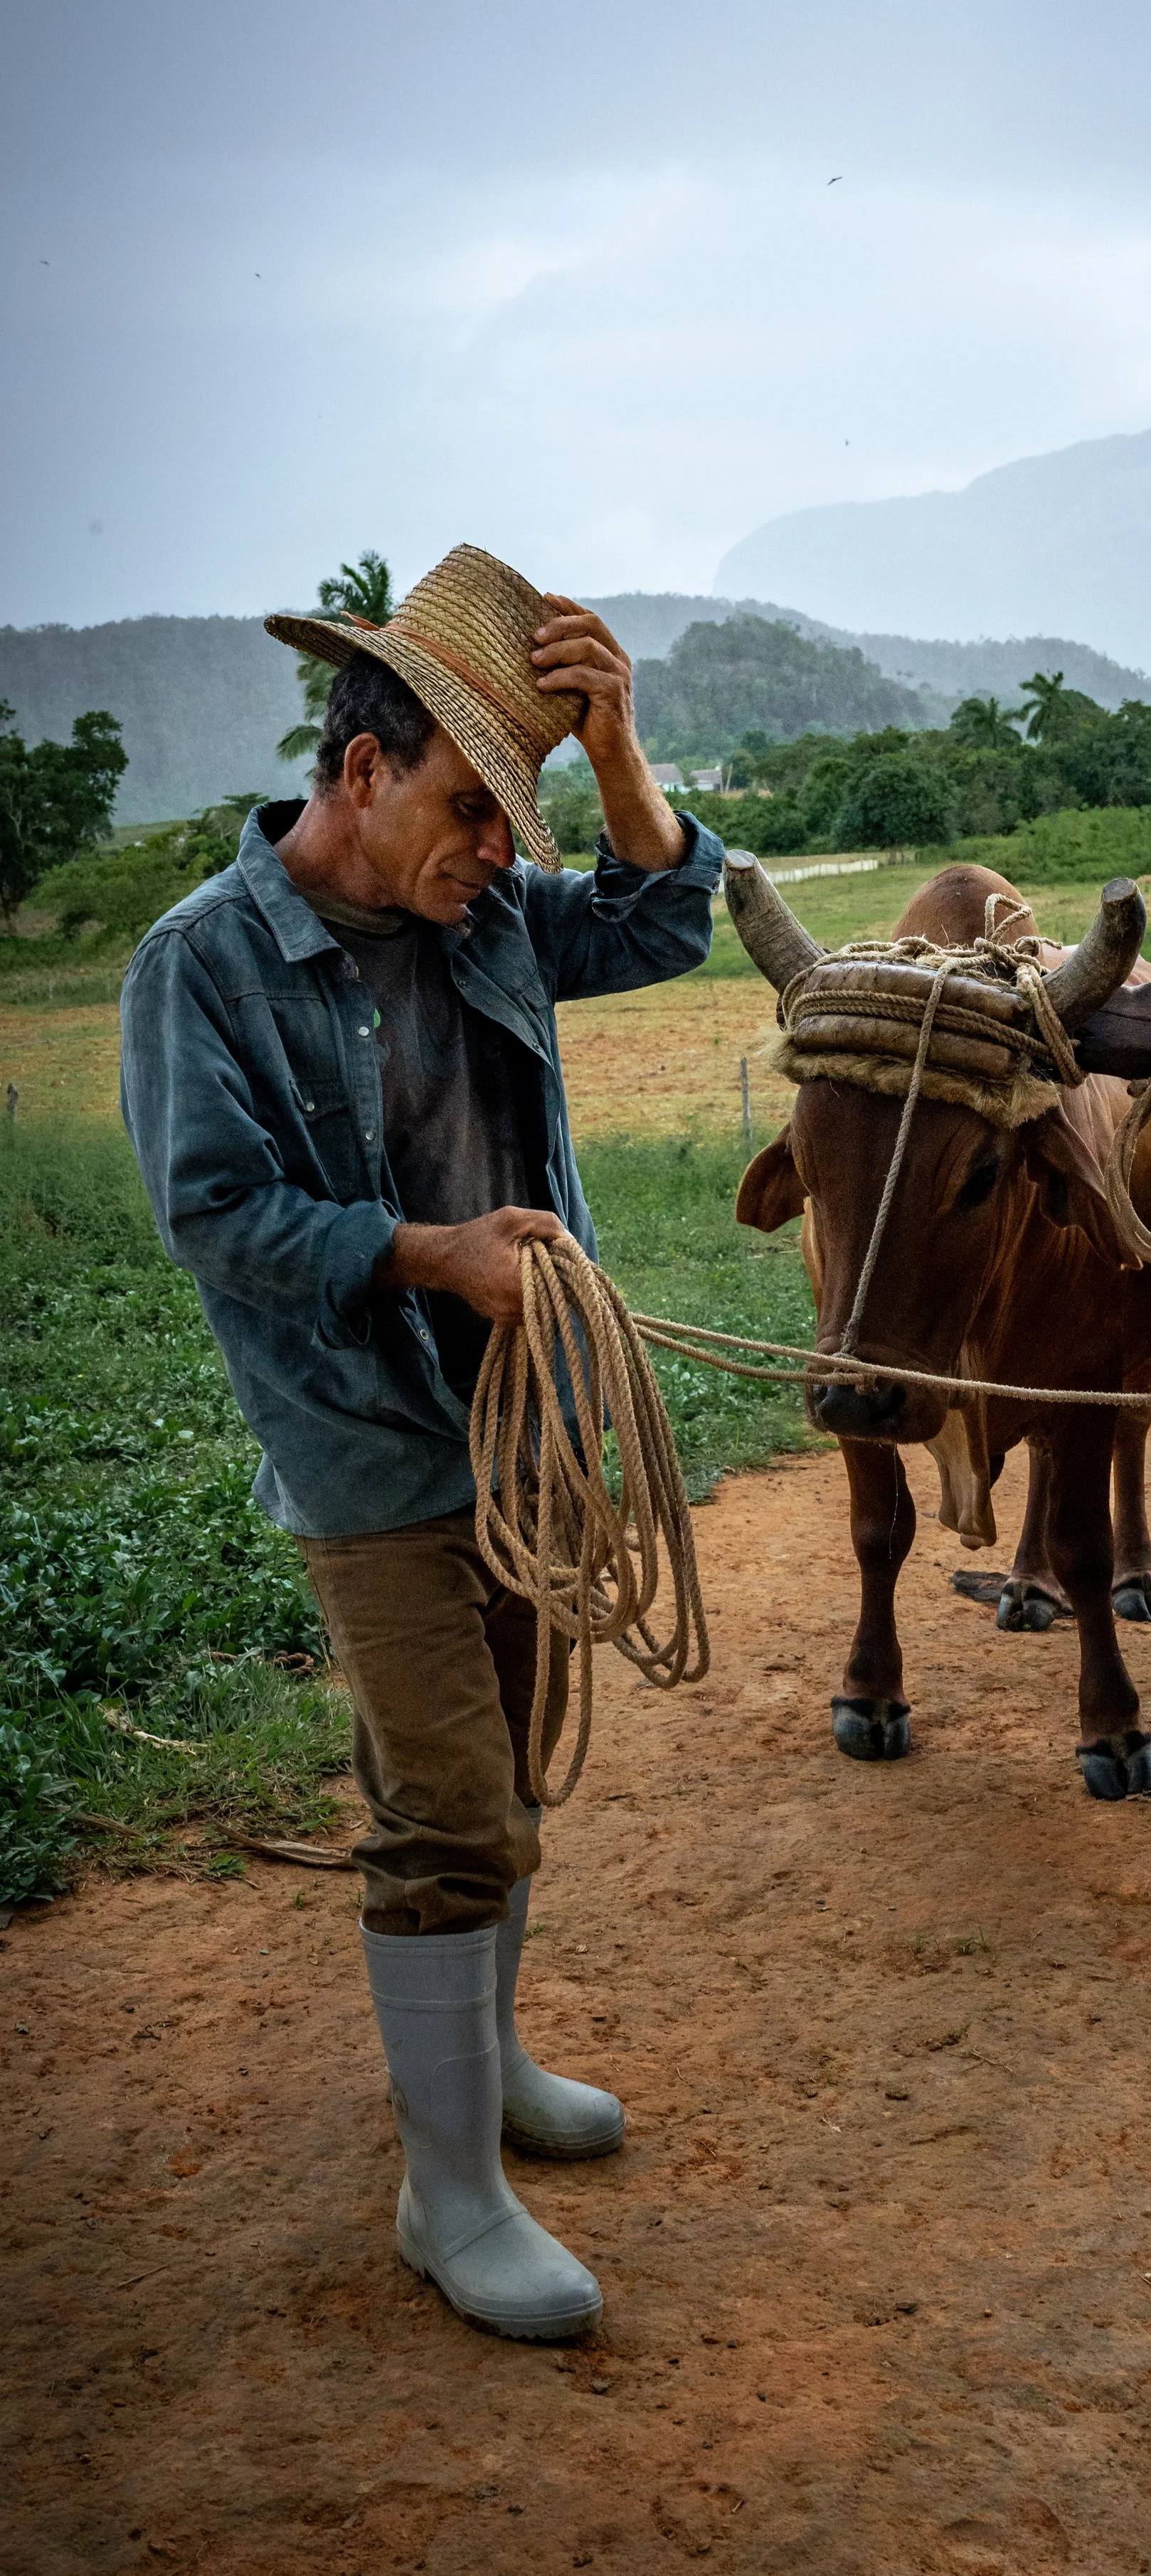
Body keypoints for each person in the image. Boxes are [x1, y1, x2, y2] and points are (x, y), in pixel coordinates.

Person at [121, 544, 723, 2341]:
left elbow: (668, 917)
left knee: (510, 1773)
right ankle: (447, 2195)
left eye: (515, 811)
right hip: (370, 1450)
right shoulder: (203, 965)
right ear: (361, 770)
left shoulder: (493, 911)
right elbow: (218, 1214)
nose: (498, 847)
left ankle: (493, 2066)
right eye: (472, 801)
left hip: (527, 1430)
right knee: (449, 1808)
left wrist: (614, 755)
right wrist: (422, 1255)